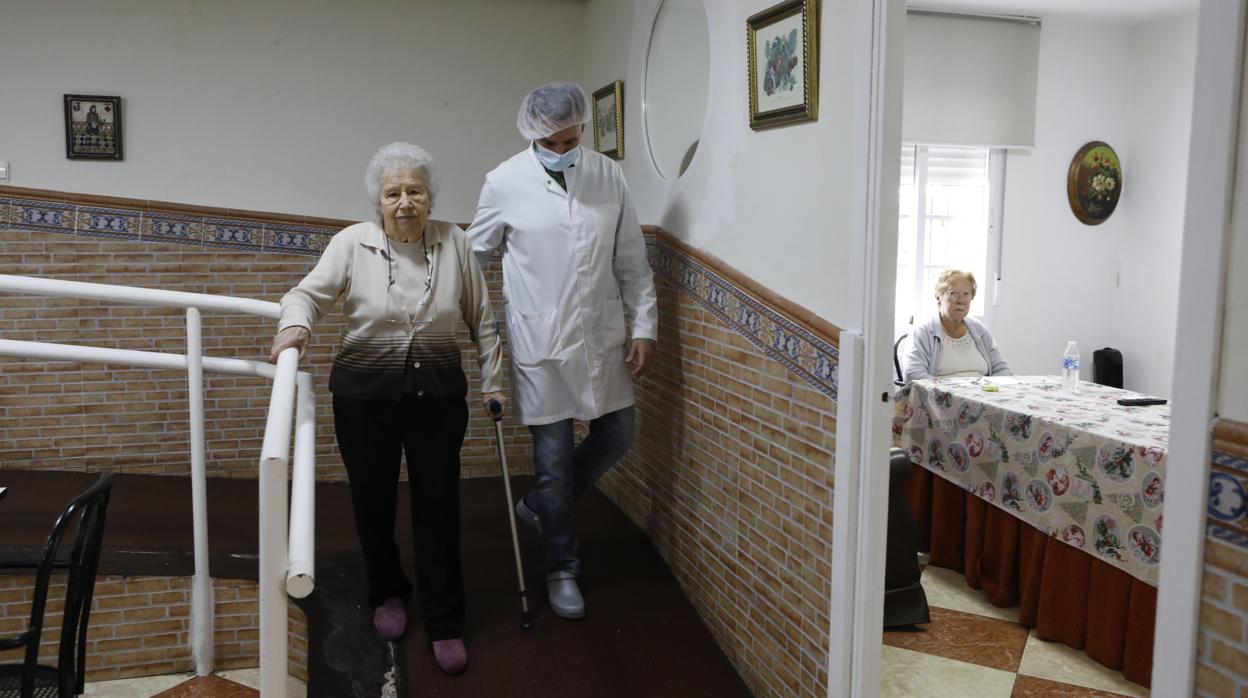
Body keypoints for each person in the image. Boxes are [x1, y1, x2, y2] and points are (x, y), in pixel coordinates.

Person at [269, 142, 505, 675]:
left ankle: (445, 619)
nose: (404, 202)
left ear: (430, 196)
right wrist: (295, 325)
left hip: (439, 400)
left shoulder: (456, 243)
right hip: (363, 398)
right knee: (371, 501)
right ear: (378, 200)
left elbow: (482, 320)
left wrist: (494, 381)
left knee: (439, 506)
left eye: (414, 191)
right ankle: (388, 593)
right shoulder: (352, 244)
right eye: (392, 192)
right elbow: (306, 294)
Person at [465, 82, 658, 620]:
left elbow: (632, 263)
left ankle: (539, 509)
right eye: (550, 143)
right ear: (532, 135)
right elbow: (474, 257)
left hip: (601, 334)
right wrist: (456, 316)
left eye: (569, 139)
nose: (561, 149)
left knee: (617, 436)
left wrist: (644, 328)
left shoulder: (607, 175)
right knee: (551, 463)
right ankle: (562, 567)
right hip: (540, 341)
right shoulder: (503, 182)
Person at [902, 269, 1010, 382]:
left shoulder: (979, 329)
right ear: (939, 298)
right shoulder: (924, 331)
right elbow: (912, 374)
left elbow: (1003, 370)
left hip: (981, 395)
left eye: (966, 294)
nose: (961, 301)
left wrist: (988, 388)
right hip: (942, 397)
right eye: (953, 293)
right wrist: (950, 392)